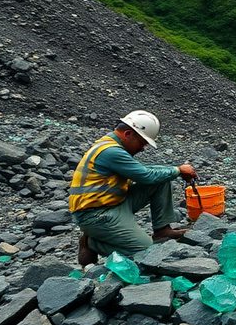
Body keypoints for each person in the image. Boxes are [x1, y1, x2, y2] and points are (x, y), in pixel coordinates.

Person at [69, 111, 197, 266]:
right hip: (96, 215)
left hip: (114, 203)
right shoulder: (111, 151)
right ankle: (92, 242)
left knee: (162, 179)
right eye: (142, 142)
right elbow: (145, 175)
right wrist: (178, 170)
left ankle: (162, 230)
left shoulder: (112, 146)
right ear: (128, 134)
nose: (143, 148)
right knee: (145, 251)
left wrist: (175, 170)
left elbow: (144, 171)